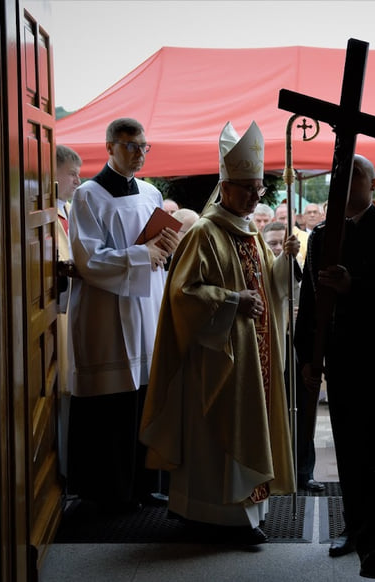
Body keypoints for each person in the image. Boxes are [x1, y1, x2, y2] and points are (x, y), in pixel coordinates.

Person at [140, 121, 299, 545]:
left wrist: (286, 261)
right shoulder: (203, 232)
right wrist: (232, 301)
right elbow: (183, 294)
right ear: (225, 186)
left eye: (258, 189)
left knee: (249, 427)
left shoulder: (253, 236)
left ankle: (246, 514)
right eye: (246, 188)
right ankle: (214, 517)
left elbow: (274, 288)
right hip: (218, 361)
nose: (253, 197)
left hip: (254, 359)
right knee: (218, 438)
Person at [296, 154, 375, 579]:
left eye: (357, 176)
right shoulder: (321, 236)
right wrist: (308, 360)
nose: (347, 184)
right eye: (340, 177)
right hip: (342, 360)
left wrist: (354, 286)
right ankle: (352, 527)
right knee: (347, 450)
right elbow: (310, 303)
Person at [67, 117, 180, 513]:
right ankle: (108, 491)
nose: (139, 154)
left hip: (145, 305)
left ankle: (144, 484)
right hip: (106, 313)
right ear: (110, 147)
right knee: (112, 406)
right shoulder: (88, 195)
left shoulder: (150, 192)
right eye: (131, 146)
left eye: (144, 146)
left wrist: (165, 246)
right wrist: (141, 255)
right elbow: (88, 258)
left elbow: (156, 243)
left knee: (146, 398)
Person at [263, 220, 325, 493]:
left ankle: (303, 471)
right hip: (272, 346)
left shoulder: (301, 269)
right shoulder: (261, 266)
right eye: (273, 243)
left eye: (283, 242)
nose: (279, 248)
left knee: (302, 412)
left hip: (298, 349)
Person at [55, 144, 82, 479]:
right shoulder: (44, 214)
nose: (77, 181)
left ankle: (68, 470)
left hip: (69, 311)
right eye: (71, 174)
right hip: (54, 318)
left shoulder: (67, 211)